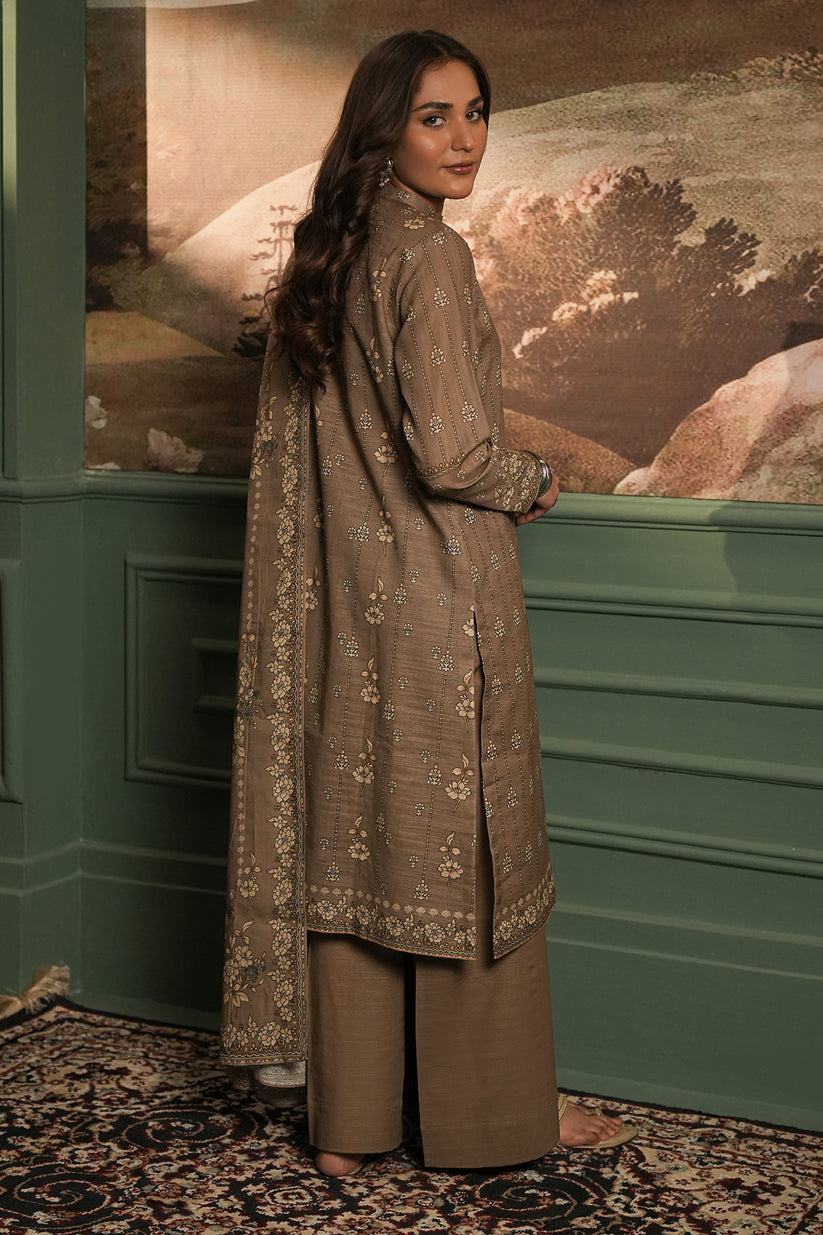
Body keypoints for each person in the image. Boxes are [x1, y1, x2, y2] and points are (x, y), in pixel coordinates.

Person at [220, 29, 636, 1176]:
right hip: (439, 598)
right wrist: (532, 481)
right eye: (433, 117)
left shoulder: (333, 251)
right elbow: (453, 454)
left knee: (358, 848)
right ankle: (500, 1115)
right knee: (471, 847)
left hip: (341, 610)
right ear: (382, 130)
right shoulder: (433, 262)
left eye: (476, 112)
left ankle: (350, 1128)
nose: (463, 140)